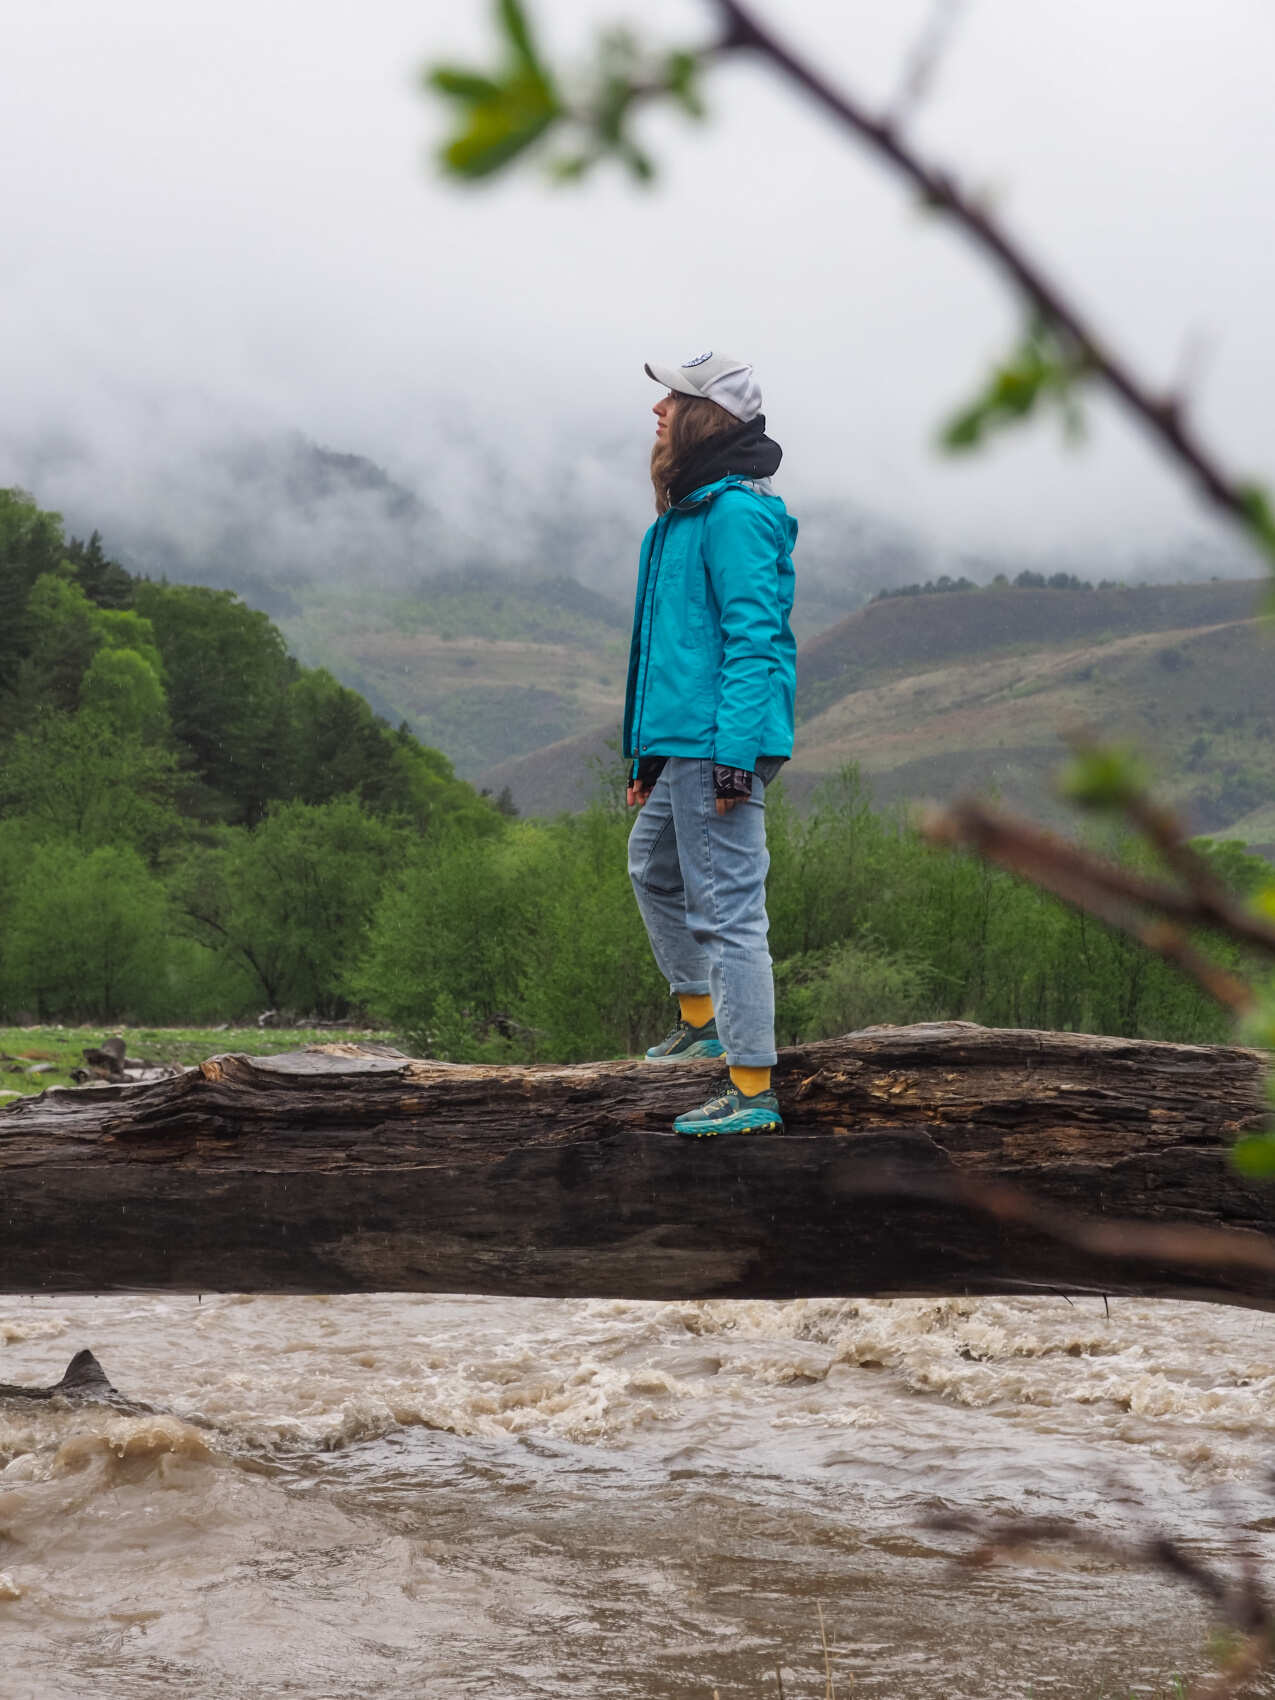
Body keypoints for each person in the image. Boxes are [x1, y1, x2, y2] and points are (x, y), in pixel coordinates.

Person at [624, 350, 797, 1138]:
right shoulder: (689, 515)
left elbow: (752, 640)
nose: (658, 412)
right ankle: (703, 1021)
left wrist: (733, 755)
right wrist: (647, 754)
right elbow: (673, 653)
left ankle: (752, 1089)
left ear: (706, 417)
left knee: (730, 910)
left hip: (716, 744)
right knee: (652, 865)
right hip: (684, 743)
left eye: (673, 400)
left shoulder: (735, 514)